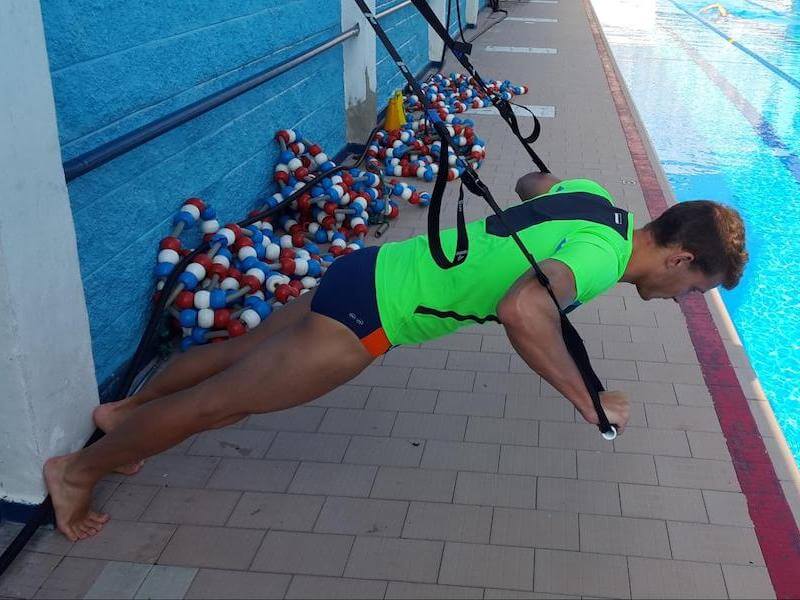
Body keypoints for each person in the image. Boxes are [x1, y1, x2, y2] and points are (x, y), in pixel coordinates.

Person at [44, 174, 748, 541]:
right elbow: (522, 309)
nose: (685, 297)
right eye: (696, 286)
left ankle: (124, 412)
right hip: (371, 318)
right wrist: (586, 401)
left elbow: (539, 189)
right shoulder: (596, 264)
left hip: (370, 268)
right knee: (216, 407)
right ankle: (75, 471)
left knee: (241, 350)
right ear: (682, 258)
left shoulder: (599, 204)